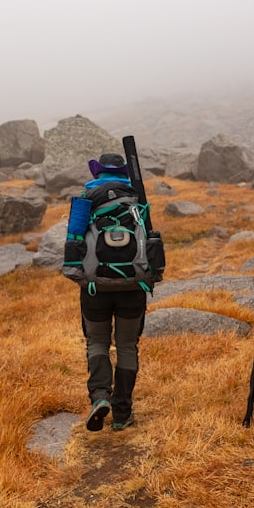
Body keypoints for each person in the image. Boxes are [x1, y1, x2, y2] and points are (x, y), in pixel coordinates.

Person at [78, 153, 147, 432]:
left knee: (97, 343)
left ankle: (100, 397)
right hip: (133, 284)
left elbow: (73, 240)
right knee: (127, 346)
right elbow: (150, 239)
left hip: (95, 286)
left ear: (98, 173)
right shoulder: (136, 196)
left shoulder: (85, 198)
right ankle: (122, 413)